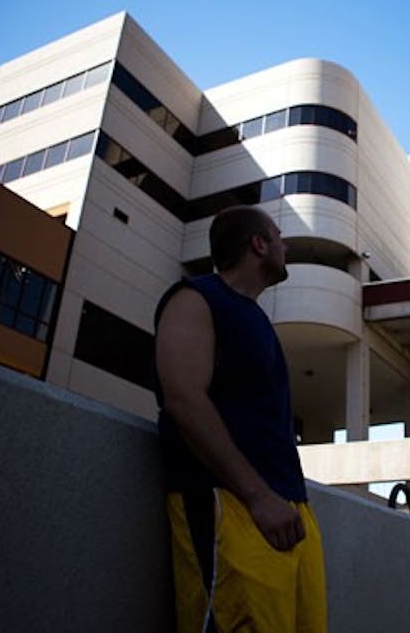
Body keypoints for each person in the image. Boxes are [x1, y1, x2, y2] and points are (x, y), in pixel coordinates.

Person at [153, 205, 327, 632]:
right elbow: (184, 400)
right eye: (279, 238)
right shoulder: (194, 298)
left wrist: (286, 502)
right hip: (230, 506)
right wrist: (258, 497)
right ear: (258, 243)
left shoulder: (259, 319)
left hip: (289, 510)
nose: (285, 246)